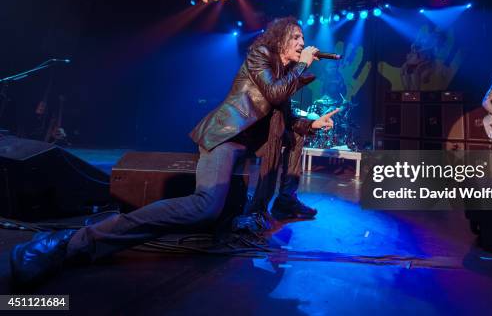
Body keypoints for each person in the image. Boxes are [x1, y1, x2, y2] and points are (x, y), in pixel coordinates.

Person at [10, 16, 339, 287]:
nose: (301, 42)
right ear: (280, 39)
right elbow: (271, 92)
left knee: (286, 143)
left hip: (246, 147)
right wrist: (301, 68)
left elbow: (288, 117)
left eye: (303, 38)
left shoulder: (285, 76)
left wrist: (313, 125)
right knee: (205, 207)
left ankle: (284, 199)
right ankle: (76, 241)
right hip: (225, 137)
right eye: (295, 36)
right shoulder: (260, 55)